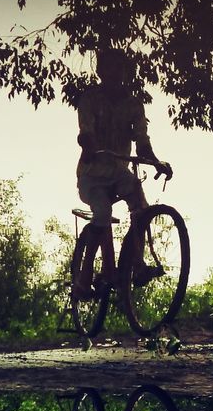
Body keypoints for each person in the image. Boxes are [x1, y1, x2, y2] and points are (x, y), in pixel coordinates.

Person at [73, 47, 173, 299]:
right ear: (101, 71)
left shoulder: (133, 104)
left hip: (119, 172)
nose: (115, 74)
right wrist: (91, 146)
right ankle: (83, 281)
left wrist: (157, 162)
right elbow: (85, 132)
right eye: (110, 68)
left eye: (120, 69)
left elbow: (142, 140)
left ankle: (136, 264)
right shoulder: (90, 99)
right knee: (103, 213)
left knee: (142, 207)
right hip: (92, 175)